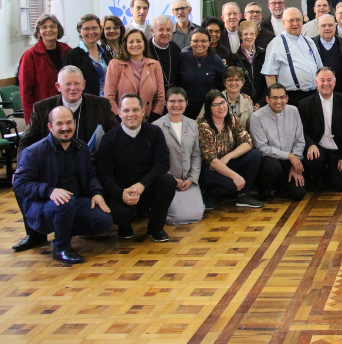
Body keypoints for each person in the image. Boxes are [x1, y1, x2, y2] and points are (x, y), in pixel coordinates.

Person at [13, 106, 113, 263]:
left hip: (74, 201)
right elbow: (20, 184)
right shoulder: (34, 152)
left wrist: (97, 193)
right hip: (43, 204)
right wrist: (49, 190)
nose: (65, 128)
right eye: (59, 124)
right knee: (65, 202)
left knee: (103, 219)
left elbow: (90, 174)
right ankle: (61, 248)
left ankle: (63, 231)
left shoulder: (81, 147)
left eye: (68, 123)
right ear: (50, 127)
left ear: (74, 124)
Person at [97, 93, 176, 242]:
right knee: (120, 214)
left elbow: (162, 163)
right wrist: (121, 194)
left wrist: (142, 185)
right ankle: (124, 226)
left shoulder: (154, 132)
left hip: (146, 188)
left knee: (168, 181)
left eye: (135, 110)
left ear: (142, 111)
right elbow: (104, 174)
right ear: (119, 113)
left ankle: (155, 229)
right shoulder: (109, 138)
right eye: (126, 111)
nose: (131, 114)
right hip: (121, 192)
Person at [197, 89, 264, 209]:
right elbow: (212, 160)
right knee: (232, 185)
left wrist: (228, 156)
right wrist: (236, 177)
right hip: (209, 169)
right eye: (216, 105)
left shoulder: (232, 119)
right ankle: (211, 196)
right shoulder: (204, 126)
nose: (221, 107)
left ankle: (244, 195)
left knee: (255, 154)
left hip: (225, 162)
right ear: (209, 108)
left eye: (223, 103)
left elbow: (248, 142)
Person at [298, 67, 342, 192]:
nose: (326, 84)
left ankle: (331, 173)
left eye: (329, 80)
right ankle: (319, 177)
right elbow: (302, 131)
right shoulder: (305, 104)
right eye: (322, 80)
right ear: (316, 82)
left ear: (335, 82)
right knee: (313, 160)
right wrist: (311, 145)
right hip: (318, 148)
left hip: (338, 149)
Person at [155, 87, 203, 225]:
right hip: (167, 181)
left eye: (180, 101)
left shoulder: (193, 124)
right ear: (166, 103)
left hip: (188, 181)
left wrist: (191, 179)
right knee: (176, 217)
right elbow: (156, 160)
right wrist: (172, 179)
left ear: (186, 103)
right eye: (172, 101)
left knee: (197, 214)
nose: (176, 105)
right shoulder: (156, 127)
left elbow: (196, 154)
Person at [250, 84, 307, 200]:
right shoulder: (256, 117)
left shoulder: (294, 111)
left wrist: (294, 165)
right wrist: (290, 156)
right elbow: (262, 148)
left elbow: (299, 141)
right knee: (272, 167)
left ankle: (281, 185)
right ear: (267, 99)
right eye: (275, 98)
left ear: (287, 98)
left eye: (282, 97)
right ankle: (264, 188)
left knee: (298, 195)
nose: (279, 101)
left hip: (288, 161)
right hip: (269, 161)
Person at [262, 8, 323, 106]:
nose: (295, 23)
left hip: (314, 95)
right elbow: (269, 74)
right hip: (291, 97)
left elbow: (320, 69)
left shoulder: (309, 42)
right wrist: (275, 99)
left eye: (298, 20)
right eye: (291, 20)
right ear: (283, 22)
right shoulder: (275, 44)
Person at [20, 13, 72, 124]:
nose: (48, 30)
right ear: (38, 31)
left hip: (68, 108)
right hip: (44, 111)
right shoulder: (30, 56)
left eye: (52, 26)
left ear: (58, 29)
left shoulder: (67, 51)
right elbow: (26, 92)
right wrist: (30, 121)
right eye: (44, 27)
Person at [104, 28, 165, 121]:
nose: (135, 44)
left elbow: (160, 98)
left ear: (144, 44)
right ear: (125, 45)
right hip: (122, 122)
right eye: (131, 41)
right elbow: (109, 97)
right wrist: (119, 118)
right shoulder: (115, 65)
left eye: (139, 41)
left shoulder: (155, 65)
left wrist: (153, 120)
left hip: (149, 122)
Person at [178, 28, 225, 119]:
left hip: (208, 109)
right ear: (190, 42)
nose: (199, 44)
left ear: (209, 42)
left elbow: (221, 86)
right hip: (184, 109)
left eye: (203, 41)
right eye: (195, 41)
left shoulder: (217, 61)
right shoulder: (181, 58)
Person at [63, 14, 113, 97]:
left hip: (107, 103)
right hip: (85, 103)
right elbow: (68, 83)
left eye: (94, 28)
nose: (91, 32)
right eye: (86, 29)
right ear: (80, 31)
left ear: (100, 29)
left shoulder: (106, 51)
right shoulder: (72, 55)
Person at [229, 20, 267, 106]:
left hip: (262, 101)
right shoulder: (234, 57)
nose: (249, 37)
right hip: (243, 101)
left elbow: (267, 81)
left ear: (256, 35)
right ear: (240, 36)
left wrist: (261, 102)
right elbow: (232, 81)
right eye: (245, 34)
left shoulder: (264, 54)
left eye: (252, 34)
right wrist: (243, 96)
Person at [311, 13, 342, 94]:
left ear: (335, 26)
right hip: (317, 91)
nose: (327, 28)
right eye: (323, 25)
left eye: (330, 25)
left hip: (341, 91)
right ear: (318, 27)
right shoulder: (310, 44)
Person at [147, 15, 181, 96]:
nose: (165, 33)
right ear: (153, 31)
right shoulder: (145, 49)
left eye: (168, 30)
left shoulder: (175, 48)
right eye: (161, 29)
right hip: (152, 95)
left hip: (172, 95)